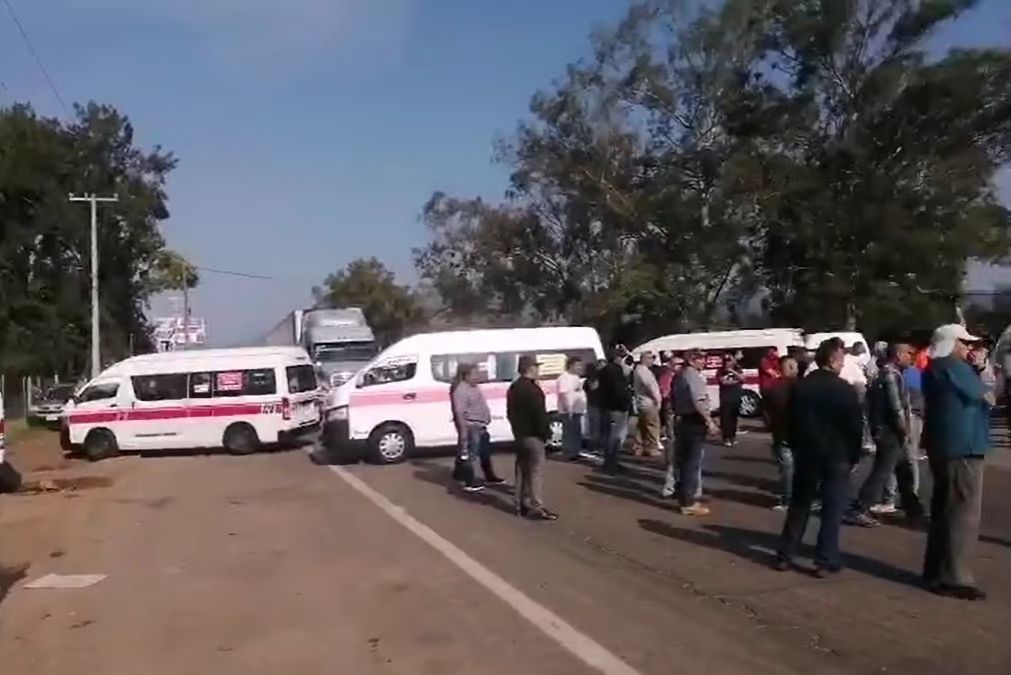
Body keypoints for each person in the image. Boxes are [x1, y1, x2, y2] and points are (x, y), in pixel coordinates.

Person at [775, 339, 862, 577]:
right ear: (832, 360)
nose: (842, 364)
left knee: (799, 506)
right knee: (832, 510)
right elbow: (855, 427)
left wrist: (795, 445)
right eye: (841, 359)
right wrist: (854, 456)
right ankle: (825, 559)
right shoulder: (844, 389)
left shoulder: (801, 387)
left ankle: (785, 554)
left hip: (807, 453)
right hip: (837, 455)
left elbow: (789, 421)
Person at [922, 324, 991, 600]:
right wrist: (983, 368)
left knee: (944, 510)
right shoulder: (955, 367)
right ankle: (956, 577)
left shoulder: (935, 367)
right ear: (950, 343)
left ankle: (936, 571)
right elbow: (986, 395)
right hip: (964, 445)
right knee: (963, 512)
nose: (969, 347)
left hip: (945, 444)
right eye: (964, 342)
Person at [846, 343, 926, 528]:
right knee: (882, 472)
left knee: (903, 472)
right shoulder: (891, 375)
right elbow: (896, 407)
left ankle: (914, 510)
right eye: (908, 353)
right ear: (898, 354)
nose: (912, 357)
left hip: (887, 431)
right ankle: (860, 508)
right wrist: (904, 429)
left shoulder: (886, 374)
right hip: (890, 432)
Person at [506, 355, 557, 521]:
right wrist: (547, 434)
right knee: (536, 471)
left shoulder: (514, 387)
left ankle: (520, 504)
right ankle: (536, 506)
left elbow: (510, 413)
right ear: (530, 368)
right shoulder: (533, 390)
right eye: (536, 367)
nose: (538, 370)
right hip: (533, 436)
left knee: (522, 470)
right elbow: (539, 415)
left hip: (519, 435)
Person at [672, 349, 719, 516]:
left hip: (682, 420)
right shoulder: (693, 376)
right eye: (700, 359)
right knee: (691, 463)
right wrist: (709, 421)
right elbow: (698, 400)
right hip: (693, 420)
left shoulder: (680, 375)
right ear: (692, 360)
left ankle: (684, 497)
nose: (704, 361)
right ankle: (689, 502)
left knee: (684, 461)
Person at [450, 363, 504, 491]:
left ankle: (488, 476)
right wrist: (463, 431)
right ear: (466, 375)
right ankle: (469, 481)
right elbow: (459, 412)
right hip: (472, 427)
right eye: (474, 374)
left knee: (484, 453)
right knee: (471, 454)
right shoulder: (461, 390)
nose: (477, 376)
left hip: (481, 426)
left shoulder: (474, 387)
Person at [764, 355, 798, 511]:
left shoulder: (775, 390)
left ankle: (787, 500)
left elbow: (767, 413)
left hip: (782, 434)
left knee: (786, 470)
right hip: (802, 435)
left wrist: (772, 427)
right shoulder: (806, 387)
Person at [597, 347, 633, 473]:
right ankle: (612, 464)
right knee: (616, 438)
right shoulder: (616, 371)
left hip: (606, 407)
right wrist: (625, 404)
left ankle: (609, 462)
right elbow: (619, 390)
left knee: (608, 436)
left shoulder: (603, 371)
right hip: (616, 407)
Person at [631, 352, 663, 457]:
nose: (652, 360)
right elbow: (649, 385)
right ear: (643, 359)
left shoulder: (639, 370)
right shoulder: (643, 371)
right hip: (648, 402)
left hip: (642, 402)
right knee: (652, 426)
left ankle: (638, 447)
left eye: (652, 358)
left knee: (641, 426)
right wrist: (657, 399)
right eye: (650, 358)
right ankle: (652, 448)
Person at [557, 356, 587, 461]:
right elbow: (563, 394)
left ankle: (575, 452)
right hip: (569, 411)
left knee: (576, 432)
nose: (580, 368)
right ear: (571, 366)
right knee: (569, 432)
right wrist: (568, 408)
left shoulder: (576, 377)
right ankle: (569, 453)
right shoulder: (564, 378)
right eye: (578, 365)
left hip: (577, 410)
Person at [717, 351, 745, 447]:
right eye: (725, 361)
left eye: (729, 360)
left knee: (734, 417)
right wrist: (735, 381)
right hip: (725, 397)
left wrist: (732, 371)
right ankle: (726, 438)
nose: (727, 362)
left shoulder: (737, 369)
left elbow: (743, 378)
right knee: (725, 418)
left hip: (735, 396)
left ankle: (733, 437)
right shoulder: (720, 371)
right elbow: (723, 382)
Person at [583, 359, 606, 455]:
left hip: (591, 405)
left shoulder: (587, 381)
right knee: (600, 427)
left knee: (594, 427)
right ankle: (599, 447)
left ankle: (594, 446)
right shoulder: (600, 379)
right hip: (599, 405)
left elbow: (586, 391)